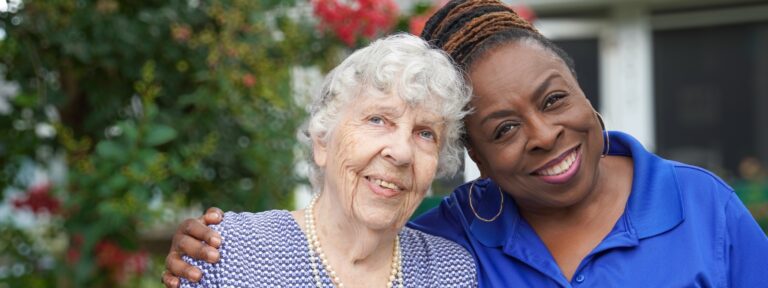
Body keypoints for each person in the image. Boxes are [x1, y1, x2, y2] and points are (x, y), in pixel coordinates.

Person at [163, 1, 768, 287]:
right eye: (503, 130)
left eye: (555, 99)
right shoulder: (456, 244)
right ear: (473, 159)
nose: (543, 135)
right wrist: (214, 247)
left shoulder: (703, 207)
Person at [166, 33, 477, 287]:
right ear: (322, 141)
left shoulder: (450, 273)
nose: (402, 152)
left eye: (425, 134)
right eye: (378, 119)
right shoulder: (230, 252)